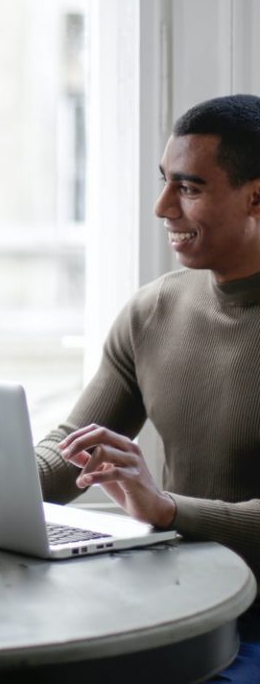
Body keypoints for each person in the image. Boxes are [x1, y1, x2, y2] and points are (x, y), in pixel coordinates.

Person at [34, 93, 260, 682]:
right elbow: (71, 445)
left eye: (188, 188)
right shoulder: (153, 310)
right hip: (182, 608)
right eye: (165, 183)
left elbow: (165, 512)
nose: (162, 207)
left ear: (256, 197)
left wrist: (166, 509)